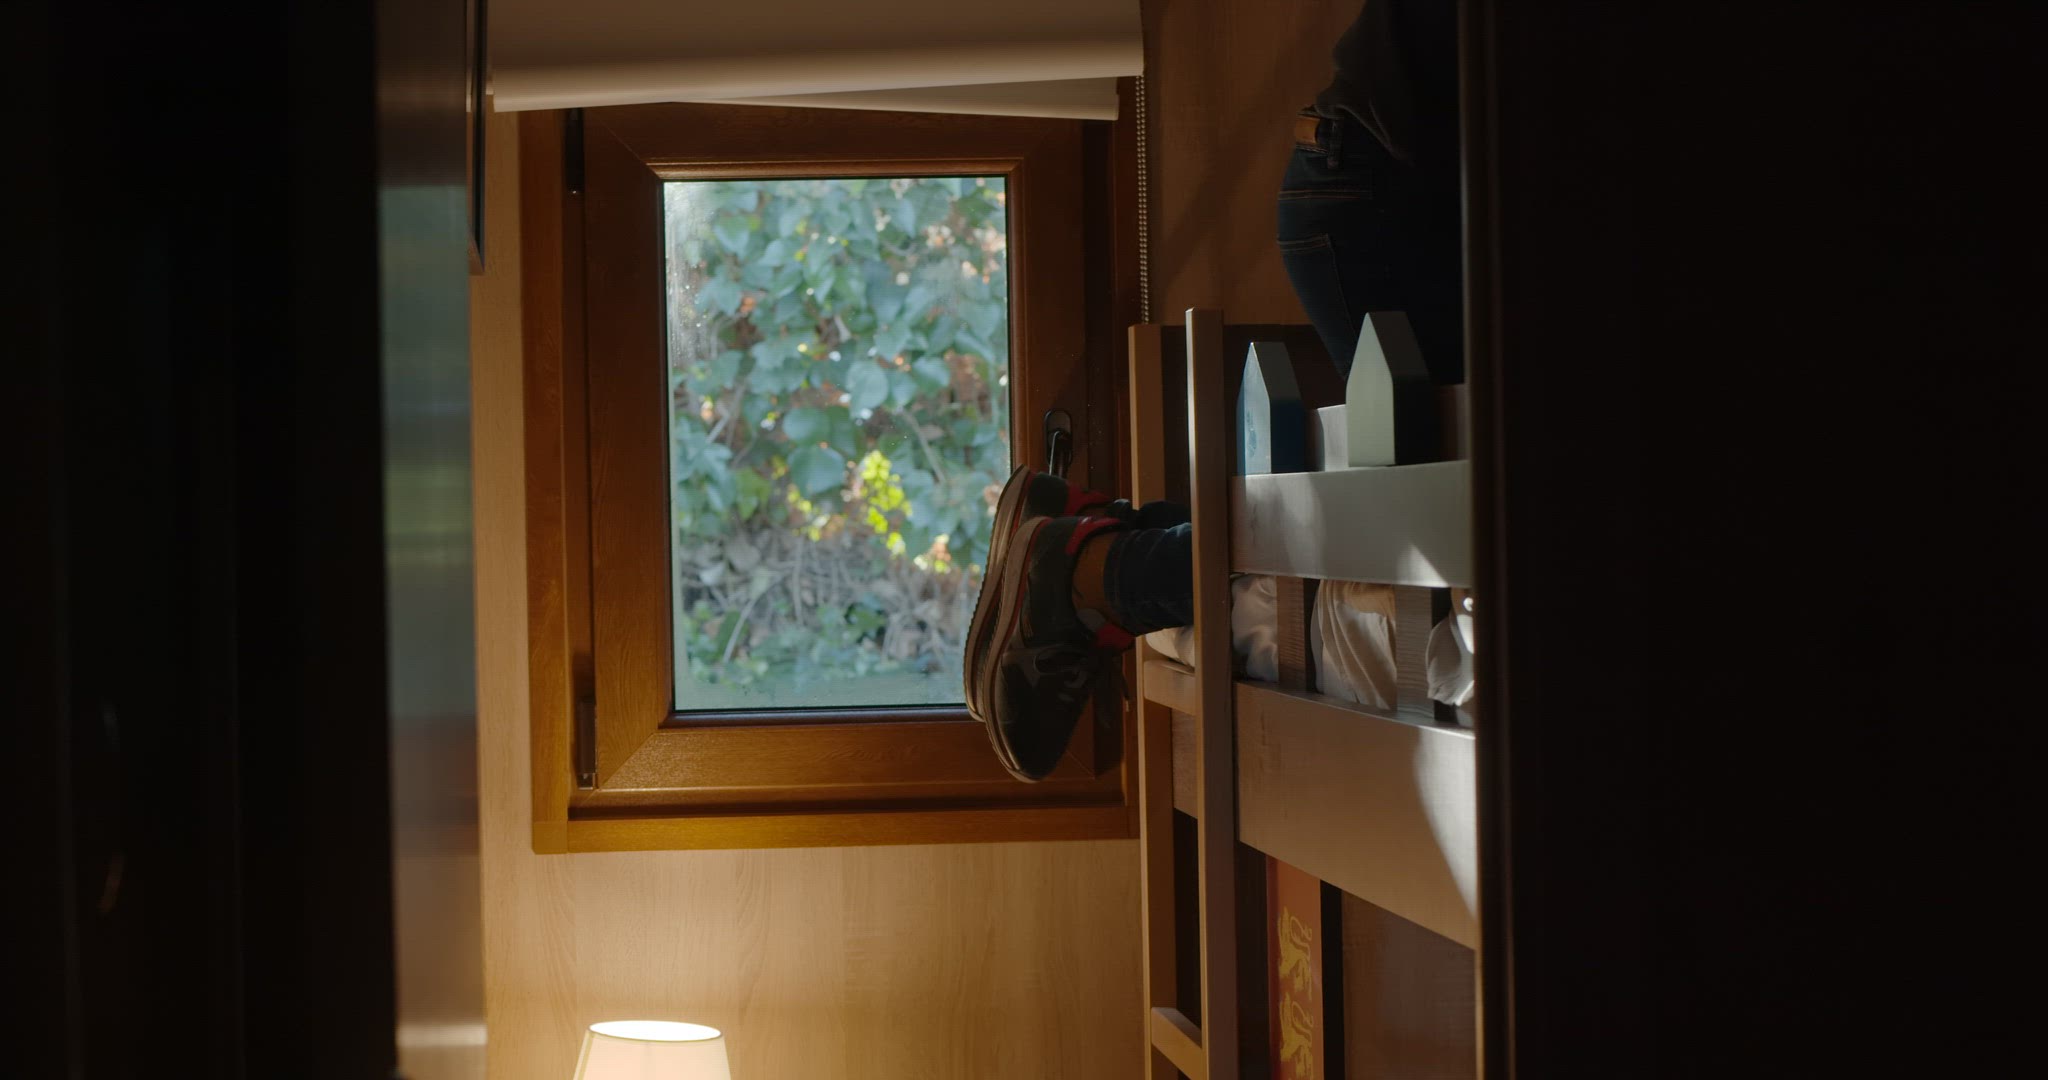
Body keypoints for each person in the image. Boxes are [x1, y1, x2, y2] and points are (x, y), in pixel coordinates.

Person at [964, 0, 1462, 781]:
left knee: (1457, 500)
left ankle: (1104, 567)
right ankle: (1096, 571)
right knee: (1458, 500)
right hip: (1384, 183)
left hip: (1379, 178)